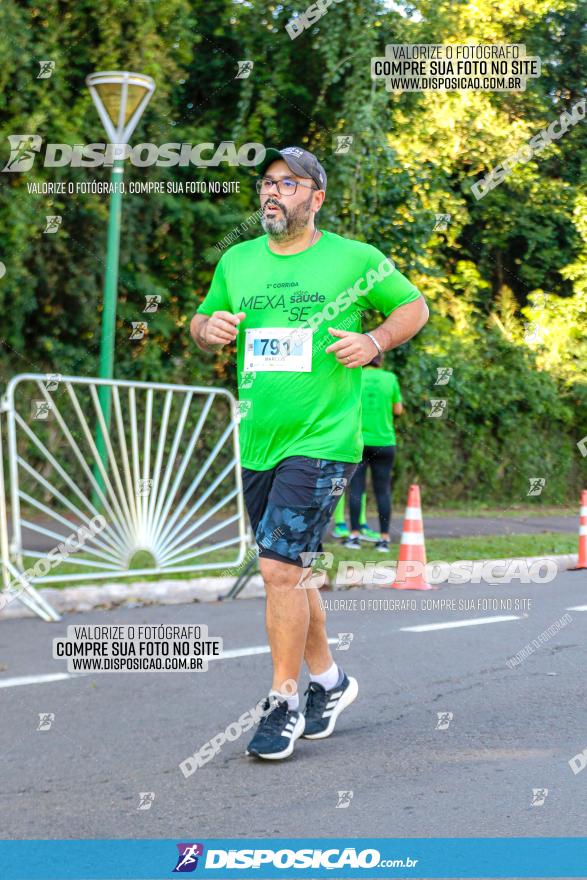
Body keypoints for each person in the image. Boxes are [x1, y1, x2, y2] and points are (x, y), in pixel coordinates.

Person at [190, 145, 428, 761]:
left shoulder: (355, 259)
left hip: (324, 440)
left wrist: (374, 340)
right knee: (289, 571)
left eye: (289, 184)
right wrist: (205, 328)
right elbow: (204, 318)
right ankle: (331, 682)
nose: (273, 193)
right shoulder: (238, 261)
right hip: (259, 438)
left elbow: (414, 306)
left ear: (316, 198)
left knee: (277, 570)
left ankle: (284, 701)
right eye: (268, 183)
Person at [344, 354, 403, 553]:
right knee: (382, 490)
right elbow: (398, 410)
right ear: (381, 360)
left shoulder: (354, 376)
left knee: (356, 490)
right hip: (385, 442)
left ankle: (354, 536)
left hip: (358, 443)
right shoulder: (390, 378)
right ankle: (384, 539)